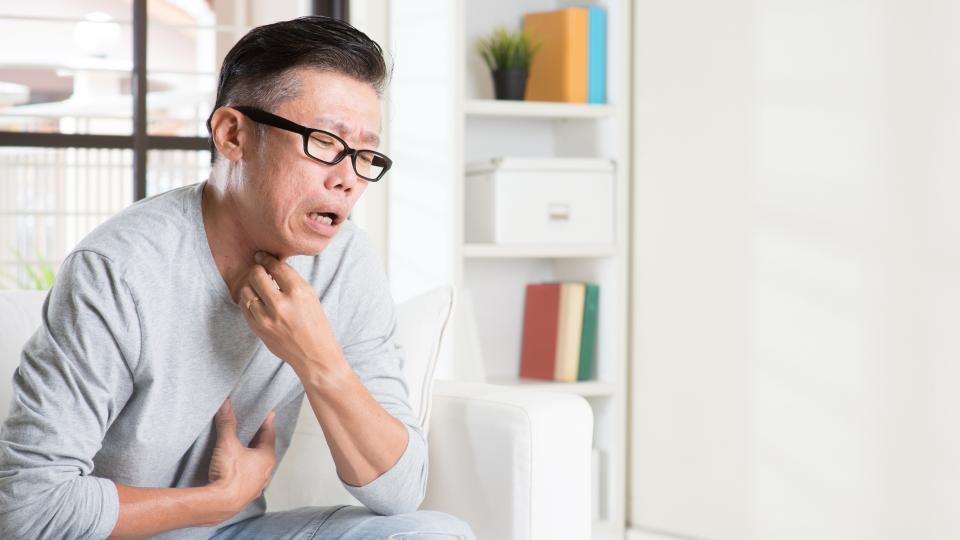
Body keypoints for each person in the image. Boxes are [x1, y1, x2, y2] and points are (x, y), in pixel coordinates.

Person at [0, 15, 475, 540]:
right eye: (324, 142)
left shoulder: (345, 260)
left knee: (431, 532)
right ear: (232, 135)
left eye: (364, 154)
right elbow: (29, 510)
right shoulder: (117, 270)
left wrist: (317, 358)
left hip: (237, 534)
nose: (347, 179)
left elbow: (399, 491)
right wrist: (216, 500)